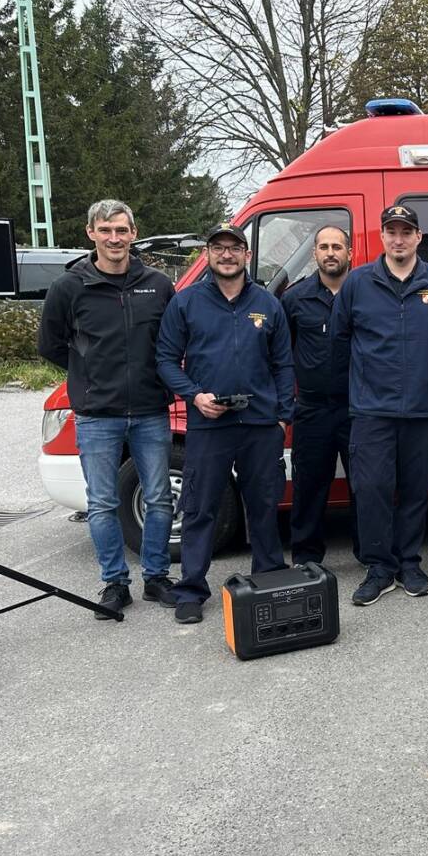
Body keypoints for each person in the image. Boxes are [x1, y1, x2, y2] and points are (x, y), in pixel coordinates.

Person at [38, 198, 177, 611]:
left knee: (159, 498)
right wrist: (90, 374)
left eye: (121, 230)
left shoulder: (157, 284)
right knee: (102, 503)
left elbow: (171, 342)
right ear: (91, 233)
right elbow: (50, 344)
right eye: (106, 230)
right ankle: (115, 582)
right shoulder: (69, 287)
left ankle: (156, 577)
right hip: (97, 414)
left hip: (151, 410)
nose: (114, 238)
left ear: (133, 234)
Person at [155, 224, 293, 625]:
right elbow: (165, 358)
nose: (227, 255)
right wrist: (195, 395)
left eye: (235, 248)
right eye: (219, 248)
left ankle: (268, 576)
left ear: (246, 255)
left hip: (260, 423)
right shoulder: (186, 303)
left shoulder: (267, 304)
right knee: (200, 507)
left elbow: (284, 363)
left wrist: (282, 414)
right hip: (209, 424)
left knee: (264, 504)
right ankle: (191, 590)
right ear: (210, 254)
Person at [332, 204, 428, 605]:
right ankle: (380, 567)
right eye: (391, 231)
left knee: (416, 490)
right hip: (372, 411)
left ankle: (409, 562)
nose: (398, 238)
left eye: (406, 232)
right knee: (371, 488)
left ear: (418, 238)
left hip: (424, 411)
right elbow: (340, 340)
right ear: (382, 236)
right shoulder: (358, 283)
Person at [282, 224, 360, 569]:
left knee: (365, 486)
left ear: (350, 253)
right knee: (309, 487)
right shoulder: (294, 299)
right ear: (314, 253)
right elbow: (282, 355)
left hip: (359, 409)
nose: (331, 253)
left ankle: (370, 555)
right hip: (312, 410)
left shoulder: (366, 292)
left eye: (337, 246)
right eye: (324, 247)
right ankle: (306, 557)